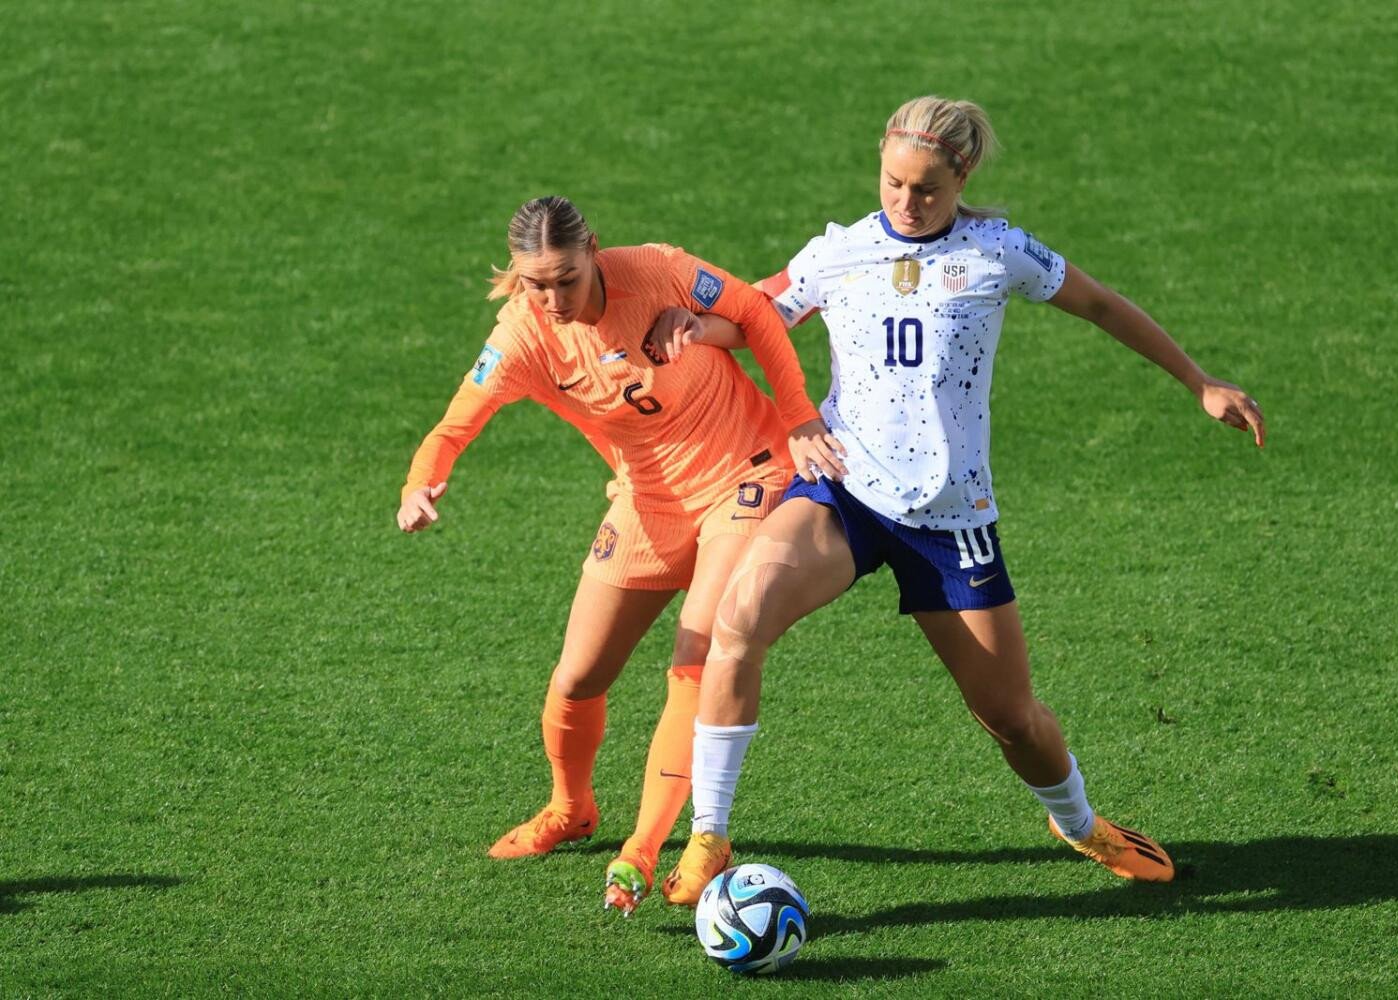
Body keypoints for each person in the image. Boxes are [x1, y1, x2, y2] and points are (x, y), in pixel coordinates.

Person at [657, 96, 1266, 903]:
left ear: (962, 176)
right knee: (739, 619)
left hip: (951, 521)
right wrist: (695, 325)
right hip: (844, 491)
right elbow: (755, 314)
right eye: (893, 183)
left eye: (927, 190)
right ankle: (710, 836)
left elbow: (1100, 305)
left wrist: (1199, 381)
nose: (906, 204)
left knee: (1011, 718)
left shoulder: (997, 252)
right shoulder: (838, 253)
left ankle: (1083, 825)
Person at [396, 195, 839, 915]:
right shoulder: (522, 338)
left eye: (565, 279)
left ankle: (642, 848)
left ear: (593, 251)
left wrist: (798, 419)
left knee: (696, 654)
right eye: (534, 283)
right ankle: (571, 810)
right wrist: (422, 485)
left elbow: (757, 314)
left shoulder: (660, 272)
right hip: (647, 502)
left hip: (747, 473)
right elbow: (452, 426)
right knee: (577, 678)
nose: (551, 298)